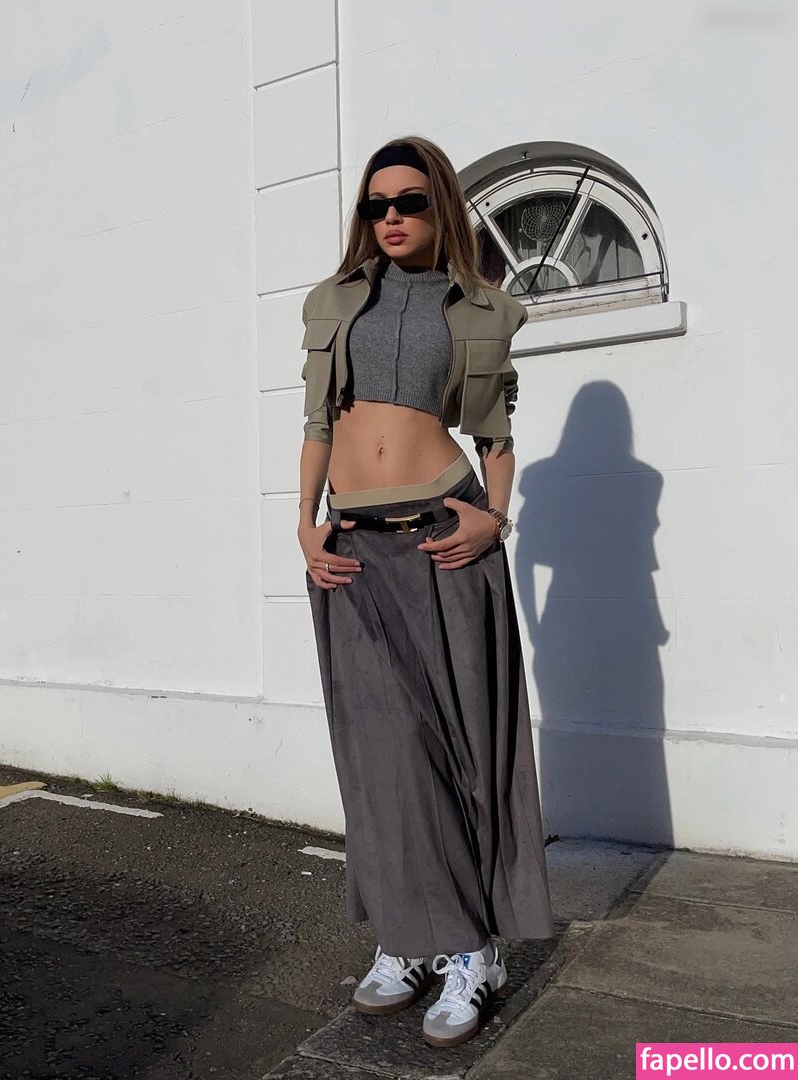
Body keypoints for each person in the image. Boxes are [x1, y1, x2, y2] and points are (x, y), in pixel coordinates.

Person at [296, 136, 554, 1050]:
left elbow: (496, 434)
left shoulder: (482, 309)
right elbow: (318, 422)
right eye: (377, 205)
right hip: (353, 547)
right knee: (383, 753)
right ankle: (408, 938)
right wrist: (303, 523)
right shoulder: (335, 302)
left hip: (445, 538)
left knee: (462, 748)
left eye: (409, 201)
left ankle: (473, 950)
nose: (391, 217)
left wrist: (496, 519)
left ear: (441, 205)